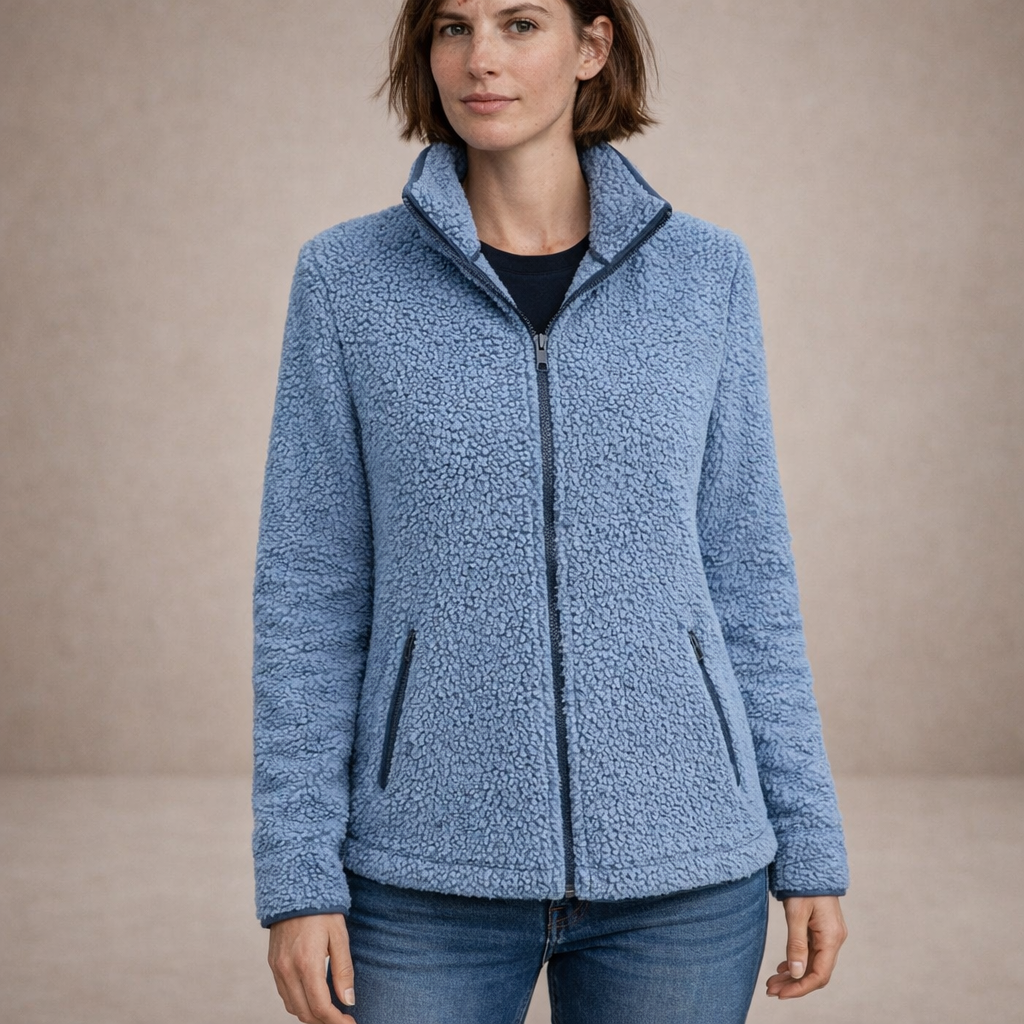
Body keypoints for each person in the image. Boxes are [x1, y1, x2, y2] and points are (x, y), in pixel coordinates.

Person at [251, 1, 850, 1021]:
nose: (480, 58)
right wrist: (298, 874)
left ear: (592, 46)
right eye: (452, 26)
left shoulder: (705, 275)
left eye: (520, 22)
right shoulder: (346, 280)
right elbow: (308, 589)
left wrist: (809, 839)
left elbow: (748, 572)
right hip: (421, 871)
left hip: (684, 867)